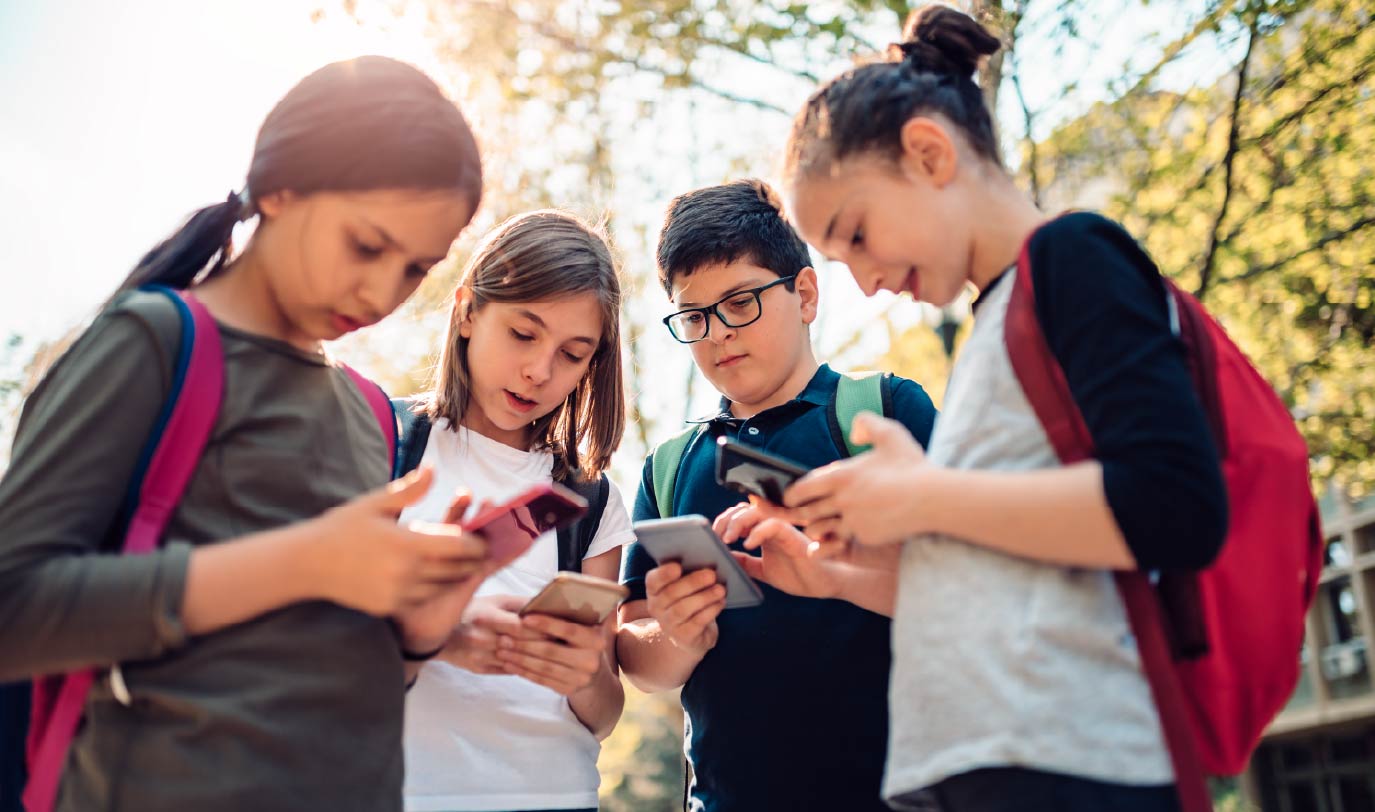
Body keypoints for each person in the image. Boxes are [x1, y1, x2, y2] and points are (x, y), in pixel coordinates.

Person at [0, 56, 488, 812]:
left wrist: (418, 632)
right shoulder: (156, 341)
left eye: (416, 269)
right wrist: (304, 561)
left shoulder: (369, 410)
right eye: (366, 246)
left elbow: (318, 672)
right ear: (281, 189)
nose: (380, 293)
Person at [778, 6, 1228, 810]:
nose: (865, 282)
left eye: (856, 236)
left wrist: (923, 497)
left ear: (928, 153)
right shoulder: (996, 321)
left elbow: (1174, 503)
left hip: (1073, 767)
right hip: (1001, 768)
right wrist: (884, 530)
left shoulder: (1071, 256)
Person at [616, 179, 937, 812]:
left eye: (740, 303)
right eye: (695, 317)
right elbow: (636, 652)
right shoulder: (669, 468)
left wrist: (839, 575)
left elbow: (974, 589)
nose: (717, 334)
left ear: (805, 294)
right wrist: (677, 637)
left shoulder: (884, 414)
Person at [400, 210, 634, 812]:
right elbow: (313, 653)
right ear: (467, 311)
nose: (539, 371)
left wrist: (585, 672)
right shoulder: (385, 444)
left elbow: (604, 715)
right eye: (524, 334)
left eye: (572, 354)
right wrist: (432, 635)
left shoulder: (591, 500)